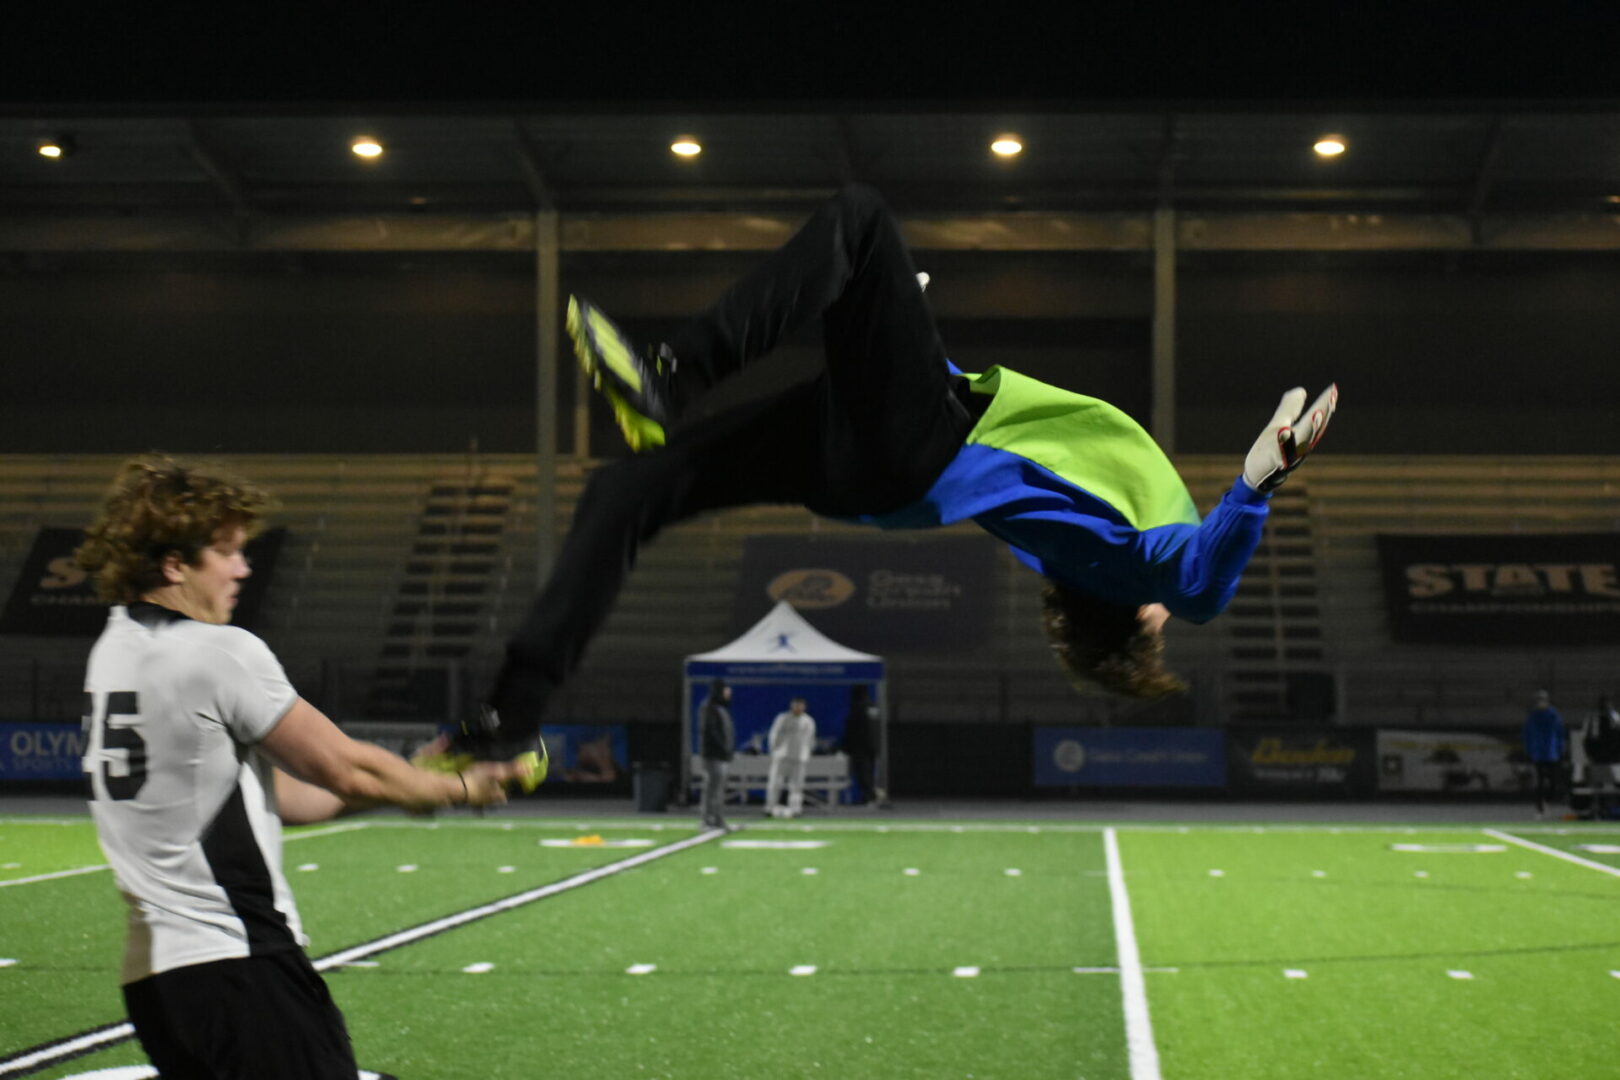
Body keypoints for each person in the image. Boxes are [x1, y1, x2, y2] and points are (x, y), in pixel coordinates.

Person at [457, 184, 1337, 760]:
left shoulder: (1138, 563)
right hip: (864, 455)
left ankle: (674, 377)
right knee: (628, 490)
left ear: (1136, 616)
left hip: (915, 447)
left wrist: (1255, 488)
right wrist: (884, 324)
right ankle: (511, 715)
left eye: (1155, 632)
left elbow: (1200, 588)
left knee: (862, 219)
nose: (1169, 622)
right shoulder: (1082, 550)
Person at [74, 455, 536, 1080]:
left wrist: (405, 780)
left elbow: (291, 797)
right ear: (174, 564)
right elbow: (344, 767)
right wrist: (456, 788)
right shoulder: (216, 652)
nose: (243, 567)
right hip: (239, 967)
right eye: (226, 552)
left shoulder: (114, 650)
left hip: (158, 983)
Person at [765, 696, 817, 818]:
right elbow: (774, 735)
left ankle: (795, 809)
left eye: (800, 705)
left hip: (799, 758)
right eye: (796, 705)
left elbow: (811, 740)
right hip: (782, 757)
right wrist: (774, 751)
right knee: (775, 783)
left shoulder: (808, 721)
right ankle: (770, 807)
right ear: (792, 705)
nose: (798, 707)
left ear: (804, 707)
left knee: (797, 786)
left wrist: (807, 753)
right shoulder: (783, 718)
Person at [1521, 689, 1567, 818]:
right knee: (1540, 781)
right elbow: (1527, 734)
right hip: (1538, 753)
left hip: (1551, 753)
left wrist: (1560, 749)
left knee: (1553, 781)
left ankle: (1548, 801)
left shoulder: (1553, 715)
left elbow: (1560, 734)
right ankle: (1540, 807)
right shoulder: (1533, 717)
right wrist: (1529, 750)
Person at [697, 676, 735, 829]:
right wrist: (723, 749)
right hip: (713, 755)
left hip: (721, 756)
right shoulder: (709, 708)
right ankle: (707, 819)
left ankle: (718, 819)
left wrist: (728, 750)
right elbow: (711, 732)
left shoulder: (720, 708)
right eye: (726, 690)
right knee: (712, 788)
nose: (729, 693)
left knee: (719, 789)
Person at [1580, 694, 1620, 820]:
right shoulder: (1593, 719)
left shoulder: (1615, 718)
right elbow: (1586, 739)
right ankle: (1599, 810)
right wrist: (1590, 755)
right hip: (1599, 758)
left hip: (1613, 758)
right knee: (1598, 786)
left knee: (1614, 784)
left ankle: (1613, 810)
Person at [842, 684, 881, 806]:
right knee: (870, 772)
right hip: (873, 747)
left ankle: (869, 797)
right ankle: (870, 796)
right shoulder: (873, 707)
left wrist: (846, 747)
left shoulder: (858, 708)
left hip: (861, 748)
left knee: (863, 773)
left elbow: (853, 729)